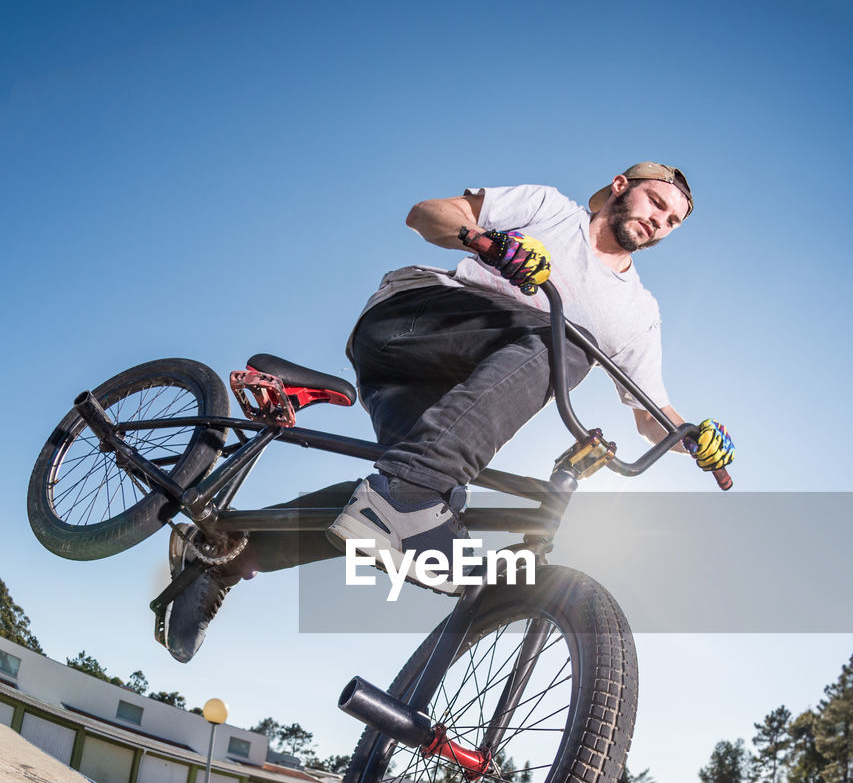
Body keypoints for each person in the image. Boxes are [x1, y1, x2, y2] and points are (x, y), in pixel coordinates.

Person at [164, 162, 734, 663]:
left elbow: (648, 408)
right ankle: (407, 494)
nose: (660, 221)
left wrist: (688, 436)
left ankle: (221, 553)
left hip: (446, 398)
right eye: (656, 203)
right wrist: (483, 240)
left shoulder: (637, 311)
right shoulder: (551, 212)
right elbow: (426, 214)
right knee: (556, 354)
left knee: (410, 511)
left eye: (673, 221)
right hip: (406, 326)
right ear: (620, 188)